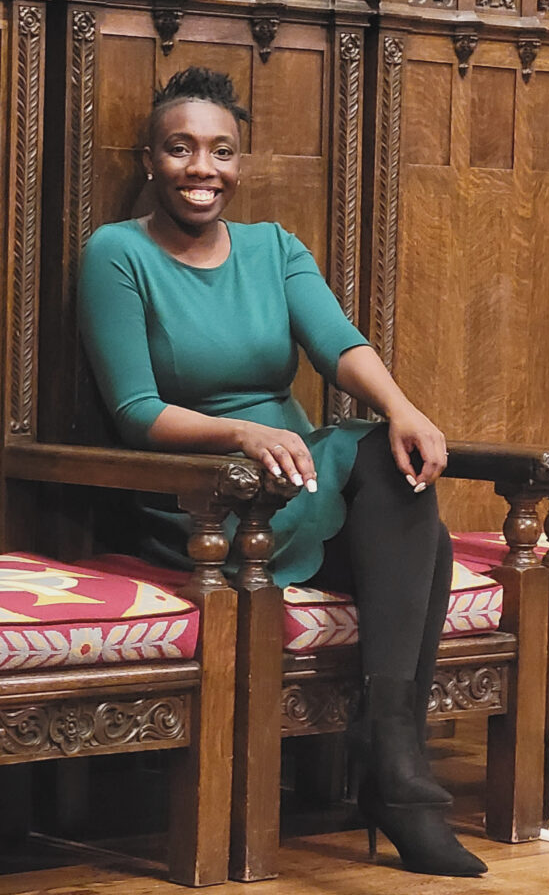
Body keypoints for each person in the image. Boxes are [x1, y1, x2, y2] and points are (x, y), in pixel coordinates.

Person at [78, 66, 487, 878]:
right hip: (204, 498)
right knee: (429, 545)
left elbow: (340, 348)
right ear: (151, 160)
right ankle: (397, 777)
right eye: (181, 149)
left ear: (242, 163)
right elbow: (134, 410)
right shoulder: (115, 253)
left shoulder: (273, 247)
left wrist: (406, 409)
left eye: (221, 151)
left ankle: (392, 760)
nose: (203, 169)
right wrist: (240, 435)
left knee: (390, 456)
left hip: (301, 482)